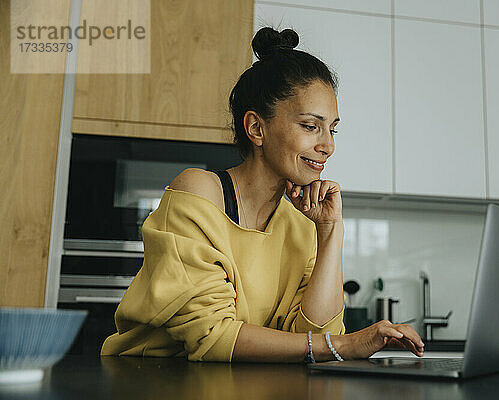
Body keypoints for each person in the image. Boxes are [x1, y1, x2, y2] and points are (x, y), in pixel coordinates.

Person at [100, 26, 424, 363]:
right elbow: (212, 337)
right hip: (146, 381)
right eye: (311, 126)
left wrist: (330, 232)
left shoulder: (300, 226)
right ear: (257, 128)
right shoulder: (199, 193)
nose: (328, 145)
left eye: (333, 128)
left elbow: (312, 340)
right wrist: (343, 345)